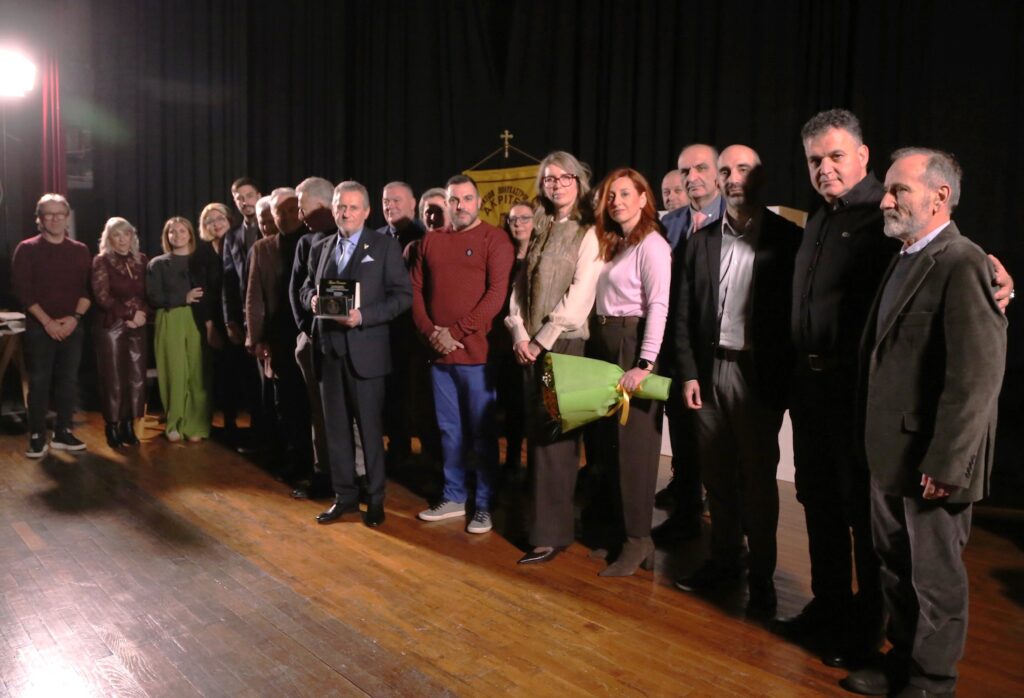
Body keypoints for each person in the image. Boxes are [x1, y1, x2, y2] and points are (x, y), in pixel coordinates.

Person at [779, 108, 1014, 668]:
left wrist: (1000, 281)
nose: (825, 168)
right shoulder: (818, 218)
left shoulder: (891, 217)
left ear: (862, 156)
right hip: (814, 394)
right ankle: (830, 607)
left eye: (836, 156)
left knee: (868, 523)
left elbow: (950, 258)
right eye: (815, 160)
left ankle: (866, 631)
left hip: (863, 401)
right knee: (820, 505)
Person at [840, 149, 1007, 698]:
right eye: (887, 190)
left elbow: (975, 378)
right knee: (895, 566)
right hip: (889, 454)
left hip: (932, 462)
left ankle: (934, 681)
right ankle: (903, 661)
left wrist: (948, 464)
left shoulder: (964, 262)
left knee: (935, 579)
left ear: (940, 196)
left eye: (898, 190)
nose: (885, 201)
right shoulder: (905, 256)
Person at [671, 146, 801, 617]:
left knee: (759, 482)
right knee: (718, 476)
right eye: (724, 170)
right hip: (708, 374)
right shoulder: (700, 242)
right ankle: (726, 561)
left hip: (756, 376)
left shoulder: (789, 239)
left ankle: (762, 577)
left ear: (760, 176)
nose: (732, 177)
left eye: (742, 169)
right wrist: (688, 372)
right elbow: (682, 316)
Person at [505, 153, 602, 564]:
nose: (557, 184)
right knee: (539, 441)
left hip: (563, 348)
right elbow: (519, 289)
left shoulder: (589, 231)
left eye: (565, 178)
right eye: (549, 178)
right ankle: (541, 527)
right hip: (531, 348)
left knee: (557, 445)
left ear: (579, 182)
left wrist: (541, 341)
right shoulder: (541, 227)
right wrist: (519, 333)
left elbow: (580, 296)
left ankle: (552, 535)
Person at [301, 181, 412, 528]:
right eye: (340, 207)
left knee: (369, 430)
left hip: (366, 354)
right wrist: (312, 300)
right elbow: (305, 287)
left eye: (352, 207)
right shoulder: (320, 247)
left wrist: (363, 316)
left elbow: (402, 296)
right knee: (335, 431)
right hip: (328, 352)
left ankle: (375, 499)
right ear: (333, 210)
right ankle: (345, 496)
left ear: (366, 211)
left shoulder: (383, 246)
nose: (345, 213)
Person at [411, 175, 514, 534]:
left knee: (482, 433)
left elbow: (496, 296)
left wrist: (454, 332)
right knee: (449, 430)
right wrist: (431, 334)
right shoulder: (431, 240)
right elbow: (415, 292)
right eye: (454, 200)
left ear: (479, 202)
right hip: (439, 356)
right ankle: (454, 496)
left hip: (478, 357)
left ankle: (484, 505)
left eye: (467, 199)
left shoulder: (494, 239)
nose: (461, 206)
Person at [587, 168, 671, 576]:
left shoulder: (652, 244)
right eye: (610, 195)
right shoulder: (615, 243)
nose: (616, 201)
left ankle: (639, 539)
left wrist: (645, 363)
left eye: (624, 193)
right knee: (609, 447)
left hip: (632, 344)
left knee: (634, 450)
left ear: (642, 198)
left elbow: (658, 305)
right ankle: (626, 535)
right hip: (605, 341)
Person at [654, 143, 728, 545]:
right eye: (685, 171)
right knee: (682, 437)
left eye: (701, 168)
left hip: (718, 353)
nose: (692, 177)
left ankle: (726, 532)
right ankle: (685, 516)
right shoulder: (668, 224)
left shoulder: (736, 220)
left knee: (719, 445)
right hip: (674, 350)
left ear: (719, 173)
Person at [11, 193, 92, 457]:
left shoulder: (80, 250)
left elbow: (87, 290)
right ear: (40, 219)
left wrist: (74, 319)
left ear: (67, 218)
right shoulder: (27, 249)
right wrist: (47, 322)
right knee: (39, 381)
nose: (55, 219)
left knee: (68, 381)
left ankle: (63, 432)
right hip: (39, 327)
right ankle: (37, 436)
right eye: (49, 214)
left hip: (72, 326)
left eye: (60, 214)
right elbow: (23, 292)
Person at [247, 188, 312, 485]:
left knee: (314, 404)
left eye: (289, 210)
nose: (284, 216)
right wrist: (256, 338)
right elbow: (254, 297)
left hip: (311, 333)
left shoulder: (316, 241)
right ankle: (295, 460)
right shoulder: (262, 248)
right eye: (278, 212)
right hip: (279, 337)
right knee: (286, 404)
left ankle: (319, 463)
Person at [289, 176, 341, 499]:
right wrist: (307, 329)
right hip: (314, 338)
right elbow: (298, 289)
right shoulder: (307, 243)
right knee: (319, 414)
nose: (299, 215)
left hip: (350, 340)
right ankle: (324, 474)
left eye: (302, 207)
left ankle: (357, 476)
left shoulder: (361, 241)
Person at [147, 217, 218, 442]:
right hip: (170, 317)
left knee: (198, 372)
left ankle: (196, 425)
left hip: (198, 319)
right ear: (166, 236)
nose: (177, 235)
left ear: (190, 234)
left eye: (182, 231)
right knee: (174, 371)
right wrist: (182, 297)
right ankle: (174, 423)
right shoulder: (158, 264)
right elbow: (153, 297)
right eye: (172, 231)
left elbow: (213, 290)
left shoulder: (202, 260)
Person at [377, 181, 427, 467]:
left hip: (413, 332)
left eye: (396, 200)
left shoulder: (424, 238)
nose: (390, 205)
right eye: (386, 201)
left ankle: (416, 456)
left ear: (413, 204)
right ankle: (395, 449)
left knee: (412, 397)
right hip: (381, 331)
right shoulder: (375, 238)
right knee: (389, 395)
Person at [90, 217, 150, 448]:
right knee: (114, 377)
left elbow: (150, 293)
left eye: (126, 234)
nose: (123, 239)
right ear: (109, 238)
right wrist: (129, 314)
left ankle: (128, 424)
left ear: (132, 236)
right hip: (111, 325)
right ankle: (112, 425)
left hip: (139, 324)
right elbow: (102, 297)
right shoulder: (101, 261)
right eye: (117, 235)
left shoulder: (142, 259)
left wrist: (142, 314)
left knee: (136, 377)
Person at [221, 176, 264, 450]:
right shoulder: (232, 236)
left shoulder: (271, 228)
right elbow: (228, 281)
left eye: (249, 196)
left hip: (268, 316)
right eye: (239, 198)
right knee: (250, 381)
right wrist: (229, 320)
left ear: (259, 196)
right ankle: (258, 437)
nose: (245, 202)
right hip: (242, 318)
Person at [494, 199, 534, 474]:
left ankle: (535, 470)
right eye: (513, 219)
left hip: (536, 341)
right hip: (505, 341)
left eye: (524, 218)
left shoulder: (543, 254)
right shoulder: (503, 256)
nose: (518, 223)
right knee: (512, 406)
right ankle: (511, 463)